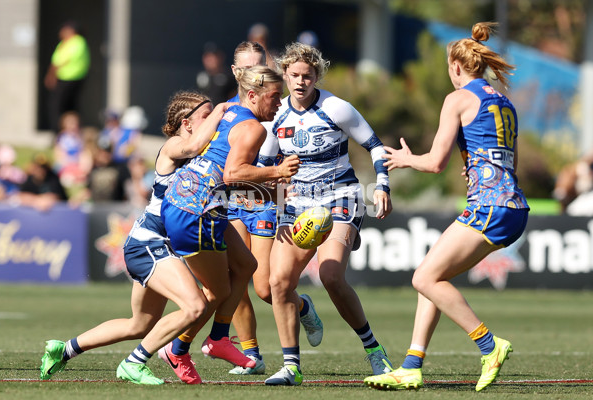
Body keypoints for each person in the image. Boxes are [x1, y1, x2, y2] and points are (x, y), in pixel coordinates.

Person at [364, 22, 529, 392]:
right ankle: (411, 365)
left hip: (490, 205)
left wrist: (407, 159)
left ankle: (489, 346)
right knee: (433, 278)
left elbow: (435, 162)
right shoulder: (504, 102)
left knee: (423, 278)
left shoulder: (458, 99)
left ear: (456, 66)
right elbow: (509, 160)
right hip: (512, 205)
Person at [39, 91, 232, 385]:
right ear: (187, 122)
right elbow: (194, 145)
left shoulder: (204, 153)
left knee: (140, 324)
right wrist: (221, 110)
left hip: (155, 245)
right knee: (194, 306)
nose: (213, 121)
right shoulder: (177, 145)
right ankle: (135, 362)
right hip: (149, 243)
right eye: (205, 116)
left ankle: (63, 350)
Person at [259, 42, 393, 386]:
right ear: (285, 75)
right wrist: (272, 187)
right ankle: (291, 367)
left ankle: (375, 352)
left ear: (317, 75)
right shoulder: (277, 115)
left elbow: (375, 146)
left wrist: (382, 185)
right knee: (277, 283)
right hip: (297, 204)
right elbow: (264, 163)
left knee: (331, 276)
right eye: (294, 75)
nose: (301, 81)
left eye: (308, 75)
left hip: (340, 199)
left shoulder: (337, 108)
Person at [159, 65, 300, 384]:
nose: (280, 103)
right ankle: (178, 349)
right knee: (216, 290)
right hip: (195, 210)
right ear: (253, 95)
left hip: (197, 201)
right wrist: (276, 173)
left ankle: (218, 337)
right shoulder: (255, 130)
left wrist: (270, 192)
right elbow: (233, 174)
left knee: (246, 265)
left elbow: (225, 175)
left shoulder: (229, 110)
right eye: (275, 97)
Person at [225, 41, 324, 376]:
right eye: (246, 68)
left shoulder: (277, 106)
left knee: (266, 287)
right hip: (234, 200)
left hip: (268, 202)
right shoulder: (226, 111)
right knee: (232, 279)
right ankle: (251, 356)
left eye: (260, 65)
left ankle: (302, 305)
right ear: (236, 73)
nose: (254, 72)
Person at [44, 21, 90, 133]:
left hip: (71, 79)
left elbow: (62, 61)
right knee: (65, 106)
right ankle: (63, 131)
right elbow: (55, 61)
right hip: (63, 78)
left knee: (58, 106)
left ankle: (61, 131)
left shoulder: (77, 41)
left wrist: (51, 74)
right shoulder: (64, 43)